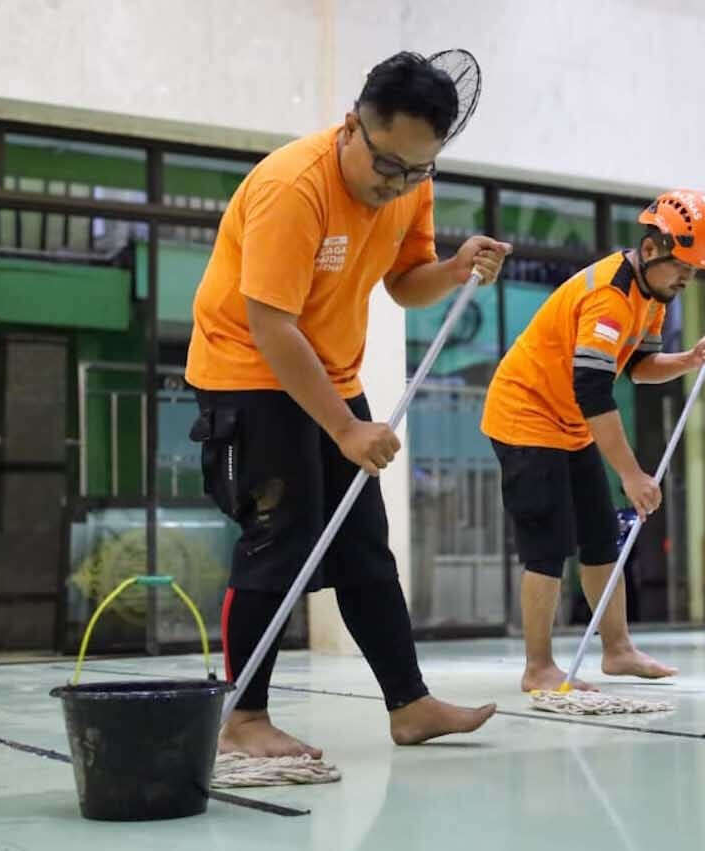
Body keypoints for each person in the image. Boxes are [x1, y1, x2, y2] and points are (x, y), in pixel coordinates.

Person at [187, 51, 512, 758]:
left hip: (328, 370)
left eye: (417, 172)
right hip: (247, 366)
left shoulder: (410, 183)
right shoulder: (292, 189)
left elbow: (403, 282)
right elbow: (272, 325)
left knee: (364, 542)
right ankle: (244, 718)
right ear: (351, 126)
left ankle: (410, 702)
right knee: (279, 534)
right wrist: (343, 426)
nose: (395, 184)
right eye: (386, 165)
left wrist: (454, 269)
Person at [480, 190, 705, 693]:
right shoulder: (611, 297)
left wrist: (688, 359)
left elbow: (635, 368)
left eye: (696, 270)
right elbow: (592, 387)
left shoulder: (652, 296)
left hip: (568, 421)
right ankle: (538, 669)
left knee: (600, 538)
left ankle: (618, 651)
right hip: (525, 415)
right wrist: (632, 474)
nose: (687, 278)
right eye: (683, 264)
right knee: (547, 546)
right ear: (652, 248)